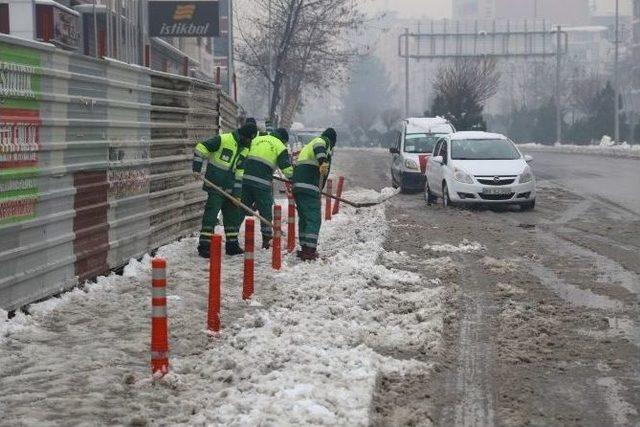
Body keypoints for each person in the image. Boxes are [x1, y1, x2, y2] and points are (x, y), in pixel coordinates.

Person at [193, 122, 257, 258]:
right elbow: (200, 148)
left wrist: (238, 195)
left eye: (251, 139)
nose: (249, 142)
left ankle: (232, 245)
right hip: (215, 185)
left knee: (233, 216)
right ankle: (204, 246)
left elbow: (240, 172)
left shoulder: (246, 148)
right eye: (248, 139)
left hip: (231, 188)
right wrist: (196, 168)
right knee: (211, 216)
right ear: (242, 135)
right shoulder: (223, 139)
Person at [241, 128, 294, 249]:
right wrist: (294, 177)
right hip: (262, 183)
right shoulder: (280, 146)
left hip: (245, 179)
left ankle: (231, 237)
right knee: (265, 211)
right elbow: (286, 169)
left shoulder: (257, 139)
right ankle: (266, 240)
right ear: (283, 139)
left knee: (240, 208)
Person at [292, 128, 337, 261]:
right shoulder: (321, 141)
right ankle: (310, 251)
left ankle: (305, 247)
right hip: (308, 187)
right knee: (313, 218)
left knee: (304, 218)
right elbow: (320, 146)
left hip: (299, 187)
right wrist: (323, 160)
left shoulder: (308, 147)